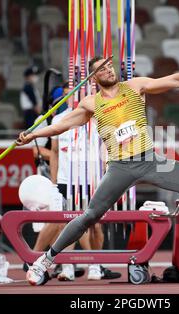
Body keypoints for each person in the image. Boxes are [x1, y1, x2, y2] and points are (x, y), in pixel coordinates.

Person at [17, 56, 179, 285]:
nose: (109, 70)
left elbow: (174, 81)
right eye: (102, 69)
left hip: (150, 161)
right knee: (90, 216)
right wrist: (32, 134)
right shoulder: (90, 103)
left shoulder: (135, 86)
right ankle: (45, 260)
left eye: (110, 65)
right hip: (120, 167)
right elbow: (59, 127)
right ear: (94, 77)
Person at [29, 83, 121, 281]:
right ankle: (67, 266)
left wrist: (106, 174)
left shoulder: (99, 118)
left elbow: (108, 148)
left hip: (92, 179)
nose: (76, 98)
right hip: (66, 181)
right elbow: (54, 153)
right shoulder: (59, 119)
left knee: (96, 225)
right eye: (71, 95)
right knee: (66, 224)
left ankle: (96, 266)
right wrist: (54, 184)